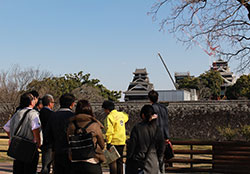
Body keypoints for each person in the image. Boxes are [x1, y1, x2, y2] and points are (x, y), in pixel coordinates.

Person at [3, 92, 42, 174]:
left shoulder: (16, 114)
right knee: (29, 170)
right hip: (29, 148)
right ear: (31, 102)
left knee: (18, 170)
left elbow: (6, 127)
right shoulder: (33, 114)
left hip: (17, 148)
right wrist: (38, 143)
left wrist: (13, 137)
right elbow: (35, 129)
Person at [67, 99, 105, 174]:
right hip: (92, 161)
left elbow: (68, 141)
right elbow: (102, 145)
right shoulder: (94, 125)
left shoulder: (71, 125)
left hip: (75, 161)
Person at [126, 105, 165, 174]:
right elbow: (161, 147)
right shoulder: (157, 129)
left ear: (143, 115)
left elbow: (132, 146)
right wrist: (159, 160)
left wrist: (129, 159)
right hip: (153, 161)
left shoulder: (137, 128)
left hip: (138, 161)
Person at [44, 93, 76, 174]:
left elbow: (47, 134)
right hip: (71, 152)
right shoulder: (73, 117)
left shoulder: (53, 116)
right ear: (72, 104)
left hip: (57, 150)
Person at [102, 100, 128, 174]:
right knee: (120, 161)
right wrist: (122, 112)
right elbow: (126, 117)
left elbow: (109, 131)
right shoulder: (121, 115)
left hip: (113, 141)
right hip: (122, 140)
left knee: (112, 161)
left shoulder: (109, 117)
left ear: (107, 109)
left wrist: (108, 142)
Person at [39, 94, 55, 174]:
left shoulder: (39, 112)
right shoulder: (52, 114)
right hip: (49, 141)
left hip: (42, 139)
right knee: (47, 165)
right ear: (50, 103)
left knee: (45, 163)